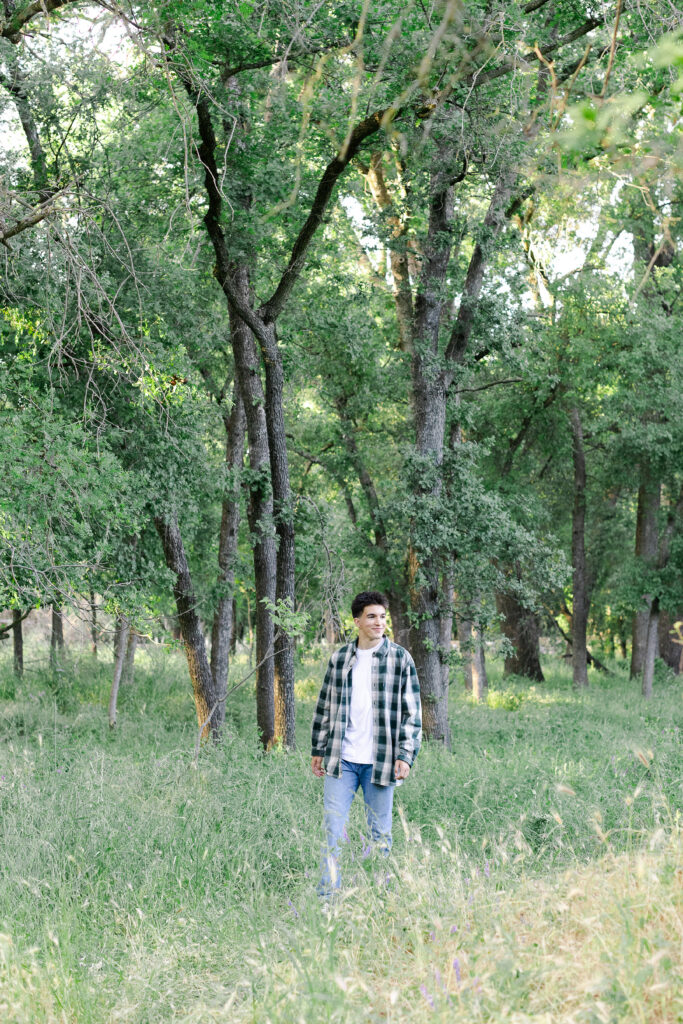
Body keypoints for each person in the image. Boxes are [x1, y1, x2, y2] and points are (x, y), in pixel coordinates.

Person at [311, 590, 422, 897]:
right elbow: (325, 707)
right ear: (357, 620)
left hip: (381, 759)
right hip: (341, 759)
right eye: (372, 616)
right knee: (332, 831)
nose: (378, 622)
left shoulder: (400, 658)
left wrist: (406, 755)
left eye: (383, 616)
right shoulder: (341, 659)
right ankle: (327, 900)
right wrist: (318, 749)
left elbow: (412, 712)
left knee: (380, 835)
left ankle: (378, 898)